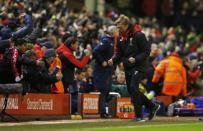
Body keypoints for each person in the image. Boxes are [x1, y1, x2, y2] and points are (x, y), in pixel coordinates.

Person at [108, 14, 160, 122]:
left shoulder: (139, 35)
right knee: (132, 91)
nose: (118, 29)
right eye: (117, 27)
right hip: (128, 66)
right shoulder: (120, 38)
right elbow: (118, 53)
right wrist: (113, 59)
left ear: (126, 25)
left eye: (120, 27)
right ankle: (151, 106)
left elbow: (146, 51)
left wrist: (136, 59)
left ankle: (138, 115)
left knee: (133, 87)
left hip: (139, 66)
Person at [93, 25, 119, 118]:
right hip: (102, 71)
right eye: (117, 31)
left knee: (107, 91)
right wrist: (102, 61)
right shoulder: (106, 41)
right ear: (113, 32)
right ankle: (103, 112)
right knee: (104, 91)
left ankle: (104, 110)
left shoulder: (112, 41)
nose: (118, 32)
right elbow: (95, 51)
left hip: (108, 71)